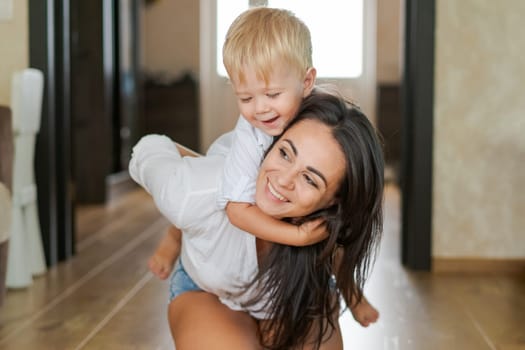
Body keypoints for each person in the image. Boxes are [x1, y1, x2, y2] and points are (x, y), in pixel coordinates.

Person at [129, 89, 385, 349]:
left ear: (334, 201)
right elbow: (148, 147)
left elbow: (337, 254)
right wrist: (199, 169)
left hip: (288, 294)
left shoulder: (324, 223)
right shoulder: (199, 188)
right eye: (285, 153)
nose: (283, 180)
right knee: (201, 207)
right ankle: (177, 234)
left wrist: (352, 295)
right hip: (209, 289)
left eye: (309, 178)